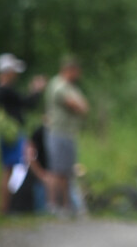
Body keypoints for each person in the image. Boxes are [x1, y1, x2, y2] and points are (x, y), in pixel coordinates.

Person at [0, 53, 46, 215]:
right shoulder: (5, 90)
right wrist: (37, 90)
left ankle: (5, 207)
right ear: (7, 72)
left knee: (8, 170)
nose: (16, 74)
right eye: (13, 71)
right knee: (9, 170)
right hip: (11, 136)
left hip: (7, 135)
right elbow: (27, 103)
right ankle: (5, 208)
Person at [44, 56, 89, 216]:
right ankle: (52, 205)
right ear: (69, 70)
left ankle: (66, 206)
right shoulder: (58, 85)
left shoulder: (71, 87)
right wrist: (79, 105)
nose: (78, 75)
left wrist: (80, 106)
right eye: (76, 72)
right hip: (58, 132)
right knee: (56, 170)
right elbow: (76, 105)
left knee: (67, 171)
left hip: (69, 133)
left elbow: (85, 107)